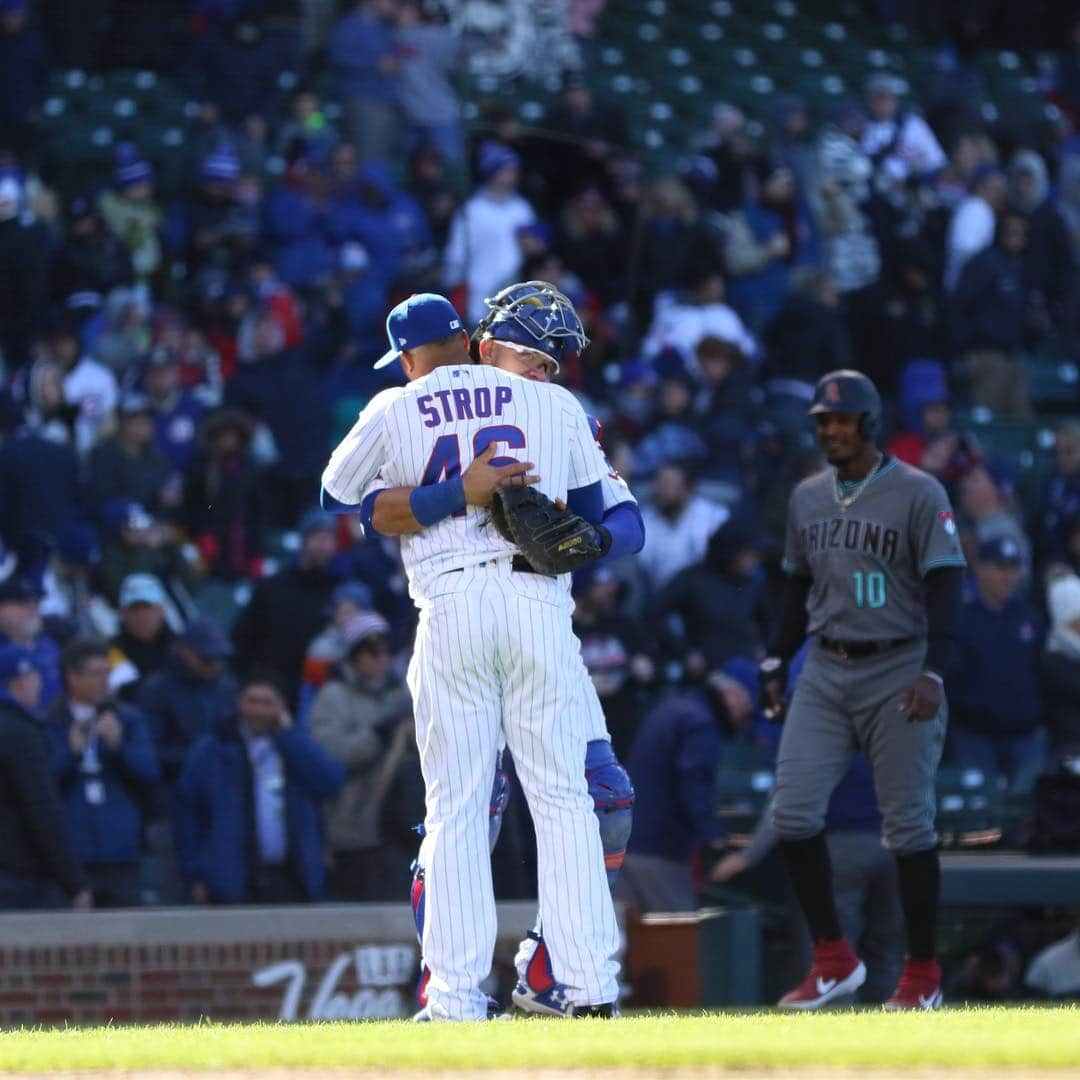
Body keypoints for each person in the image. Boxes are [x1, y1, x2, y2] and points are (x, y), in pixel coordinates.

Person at [320, 288, 633, 1020]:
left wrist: (435, 495)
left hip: (450, 603)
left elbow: (339, 496)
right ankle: (588, 988)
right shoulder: (551, 404)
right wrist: (572, 531)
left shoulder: (396, 404)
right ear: (469, 339)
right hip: (536, 605)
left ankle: (456, 999)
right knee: (564, 801)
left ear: (405, 357)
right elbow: (596, 514)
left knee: (458, 809)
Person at [758, 369, 966, 1011]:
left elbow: (947, 588)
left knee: (907, 828)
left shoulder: (917, 490)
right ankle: (832, 959)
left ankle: (923, 975)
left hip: (898, 665)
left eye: (842, 420)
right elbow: (797, 589)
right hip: (825, 664)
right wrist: (776, 658)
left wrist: (934, 671)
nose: (832, 431)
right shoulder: (808, 498)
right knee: (792, 812)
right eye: (823, 421)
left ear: (869, 425)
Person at [173, 673, 345, 905]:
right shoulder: (212, 749)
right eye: (252, 701)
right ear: (238, 703)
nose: (258, 710)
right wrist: (196, 874)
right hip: (231, 877)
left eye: (267, 703)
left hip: (292, 875)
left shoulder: (296, 745)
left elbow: (330, 781)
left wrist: (288, 736)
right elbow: (188, 815)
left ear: (281, 706)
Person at [44, 638, 160, 908]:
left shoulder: (128, 719)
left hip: (119, 849)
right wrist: (70, 754)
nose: (105, 681)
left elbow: (149, 774)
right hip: (70, 852)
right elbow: (40, 784)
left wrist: (118, 748)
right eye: (96, 674)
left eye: (107, 673)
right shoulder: (48, 722)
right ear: (73, 677)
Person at [310, 611, 414, 900]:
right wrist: (377, 735)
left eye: (385, 650)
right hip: (354, 828)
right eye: (370, 651)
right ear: (353, 656)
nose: (380, 658)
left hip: (400, 825)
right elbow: (328, 756)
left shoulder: (402, 694)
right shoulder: (333, 696)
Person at [948, 537, 1045, 792]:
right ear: (980, 568)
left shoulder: (1029, 616)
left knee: (1027, 816)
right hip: (975, 736)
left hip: (1025, 735)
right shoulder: (961, 617)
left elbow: (1041, 671)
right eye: (1000, 568)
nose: (1008, 577)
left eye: (1013, 568)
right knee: (980, 817)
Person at [0, 643, 91, 911]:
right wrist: (73, 882)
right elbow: (41, 808)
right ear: (23, 679)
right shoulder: (20, 731)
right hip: (17, 874)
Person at [230, 507, 341, 708]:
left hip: (320, 694)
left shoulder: (337, 591)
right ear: (304, 541)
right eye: (318, 538)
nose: (324, 546)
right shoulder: (272, 587)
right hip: (273, 690)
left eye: (329, 539)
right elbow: (243, 639)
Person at [637, 461, 730, 593]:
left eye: (667, 484)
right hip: (661, 599)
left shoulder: (713, 516)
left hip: (706, 597)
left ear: (688, 491)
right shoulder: (643, 520)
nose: (658, 490)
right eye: (658, 482)